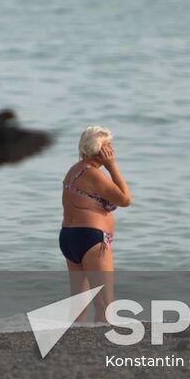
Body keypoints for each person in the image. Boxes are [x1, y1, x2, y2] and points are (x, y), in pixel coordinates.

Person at [59, 126, 131, 322]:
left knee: (78, 303)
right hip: (92, 239)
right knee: (105, 305)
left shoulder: (74, 170)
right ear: (99, 149)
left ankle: (72, 346)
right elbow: (125, 199)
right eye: (109, 146)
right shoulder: (94, 173)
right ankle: (103, 349)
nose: (112, 151)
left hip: (69, 237)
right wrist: (112, 166)